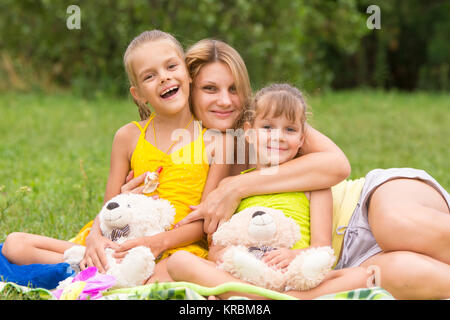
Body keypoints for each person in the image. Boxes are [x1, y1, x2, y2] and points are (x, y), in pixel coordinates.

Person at [1, 30, 230, 282]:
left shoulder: (215, 142)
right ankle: (105, 269)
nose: (164, 77)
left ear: (187, 74)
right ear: (139, 94)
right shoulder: (128, 136)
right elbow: (108, 205)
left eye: (171, 66)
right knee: (15, 244)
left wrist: (156, 243)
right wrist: (95, 239)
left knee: (170, 271)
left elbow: (203, 223)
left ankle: (102, 275)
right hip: (117, 241)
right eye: (149, 76)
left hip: (171, 248)